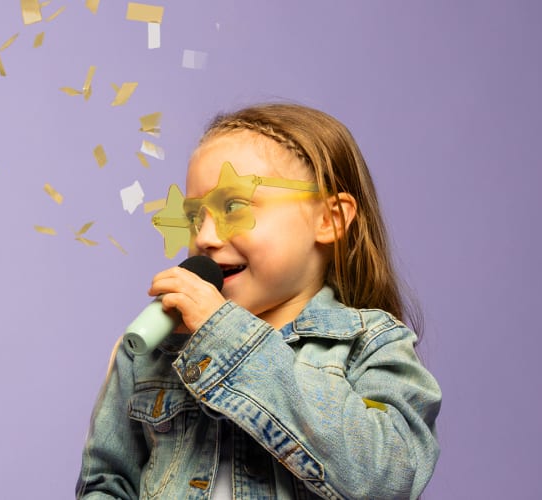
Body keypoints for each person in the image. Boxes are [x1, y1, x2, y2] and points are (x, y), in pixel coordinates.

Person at [77, 103, 441, 499]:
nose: (206, 238)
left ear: (329, 219)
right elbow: (106, 483)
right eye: (196, 217)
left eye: (233, 207)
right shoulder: (153, 355)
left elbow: (385, 479)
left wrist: (225, 335)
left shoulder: (372, 346)